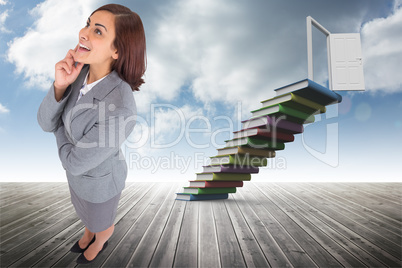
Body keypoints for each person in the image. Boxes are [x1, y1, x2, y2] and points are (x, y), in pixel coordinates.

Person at [37, 4, 146, 264]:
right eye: (88, 24)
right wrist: (60, 86)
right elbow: (44, 122)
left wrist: (58, 128)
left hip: (100, 182)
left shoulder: (121, 106)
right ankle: (89, 232)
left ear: (116, 50)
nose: (83, 33)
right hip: (77, 179)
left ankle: (102, 238)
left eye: (98, 31)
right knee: (86, 216)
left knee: (101, 220)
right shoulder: (79, 70)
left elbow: (74, 161)